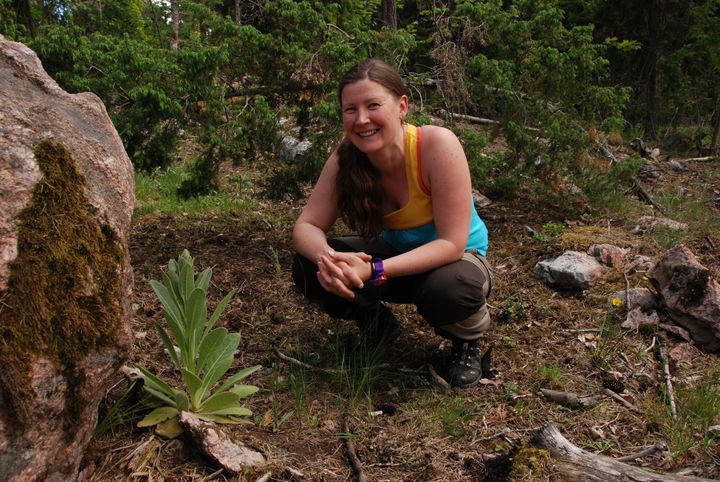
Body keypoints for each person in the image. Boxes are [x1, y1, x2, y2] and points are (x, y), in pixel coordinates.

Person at [291, 58, 492, 388]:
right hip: (396, 258)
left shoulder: (436, 145)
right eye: (350, 110)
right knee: (308, 266)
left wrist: (373, 270)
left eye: (373, 105)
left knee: (448, 290)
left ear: (401, 106)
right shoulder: (346, 159)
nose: (362, 119)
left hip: (456, 262)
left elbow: (452, 244)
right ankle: (377, 324)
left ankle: (466, 340)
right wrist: (331, 260)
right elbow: (306, 227)